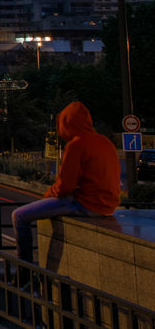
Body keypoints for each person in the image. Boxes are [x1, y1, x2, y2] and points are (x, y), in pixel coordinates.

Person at [12, 101, 120, 263]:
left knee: (19, 216)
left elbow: (65, 186)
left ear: (66, 123)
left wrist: (48, 197)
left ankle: (24, 268)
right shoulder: (104, 142)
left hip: (86, 204)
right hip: (108, 206)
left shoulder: (76, 145)